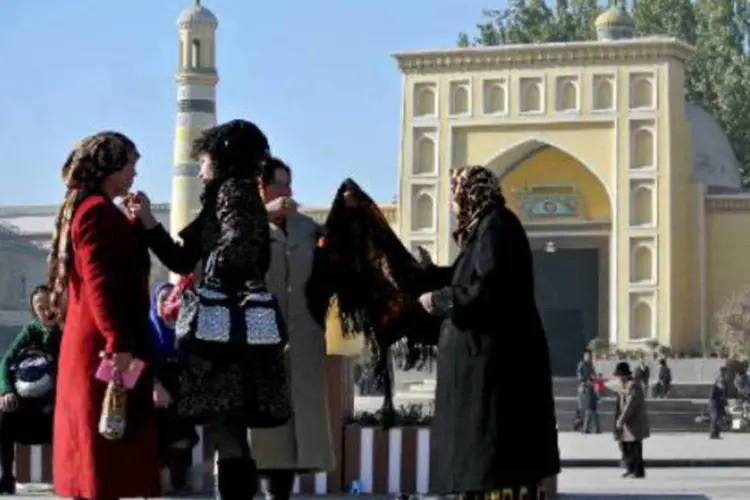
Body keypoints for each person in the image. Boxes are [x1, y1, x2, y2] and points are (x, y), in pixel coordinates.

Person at [130, 119, 284, 500]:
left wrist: (206, 282)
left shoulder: (234, 192)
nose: (199, 169)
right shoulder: (223, 196)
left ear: (222, 157)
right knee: (226, 428)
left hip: (228, 334)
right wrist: (148, 221)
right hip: (227, 331)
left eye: (204, 160)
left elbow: (240, 247)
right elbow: (183, 259)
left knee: (226, 426)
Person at [416, 165, 560, 498]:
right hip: (483, 367)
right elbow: (469, 278)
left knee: (492, 458)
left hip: (494, 371)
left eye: (454, 194)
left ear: (470, 194)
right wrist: (429, 275)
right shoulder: (486, 228)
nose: (452, 204)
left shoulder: (496, 226)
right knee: (481, 459)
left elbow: (488, 289)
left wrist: (439, 299)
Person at [47, 131, 169, 500]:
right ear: (111, 167)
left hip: (96, 340)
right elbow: (100, 285)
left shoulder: (93, 209)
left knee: (105, 441)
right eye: (131, 163)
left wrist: (137, 224)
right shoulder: (97, 213)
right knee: (105, 446)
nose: (135, 172)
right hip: (107, 346)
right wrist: (117, 344)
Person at [249, 157, 335, 500]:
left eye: (288, 184)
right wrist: (262, 216)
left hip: (302, 339)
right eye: (279, 184)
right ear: (261, 188)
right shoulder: (246, 225)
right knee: (260, 434)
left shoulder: (306, 228)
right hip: (260, 342)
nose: (287, 191)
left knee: (295, 433)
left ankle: (280, 495)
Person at [0, 286, 61, 494]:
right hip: (29, 403)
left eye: (49, 305)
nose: (45, 311)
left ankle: (65, 478)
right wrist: (6, 391)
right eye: (39, 307)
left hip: (56, 404)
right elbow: (6, 361)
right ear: (34, 310)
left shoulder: (66, 329)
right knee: (3, 415)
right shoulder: (31, 330)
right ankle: (5, 477)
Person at [148, 282, 198, 493]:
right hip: (153, 388)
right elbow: (138, 361)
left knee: (182, 433)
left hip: (182, 388)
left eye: (173, 298)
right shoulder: (146, 329)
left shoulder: (186, 328)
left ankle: (179, 479)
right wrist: (155, 386)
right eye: (163, 299)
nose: (168, 303)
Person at [613, 361, 649, 479]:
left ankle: (638, 471)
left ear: (626, 375)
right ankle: (630, 468)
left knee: (634, 447)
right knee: (625, 446)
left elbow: (630, 405)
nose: (619, 378)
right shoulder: (623, 386)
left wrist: (621, 420)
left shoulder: (633, 386)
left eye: (620, 375)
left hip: (634, 423)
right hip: (627, 423)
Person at [708, 366, 728, 439]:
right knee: (715, 417)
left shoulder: (724, 380)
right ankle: (713, 433)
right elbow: (714, 393)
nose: (725, 373)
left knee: (719, 418)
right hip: (715, 401)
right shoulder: (718, 379)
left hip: (720, 401)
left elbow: (724, 391)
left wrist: (724, 399)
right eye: (724, 372)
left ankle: (717, 434)